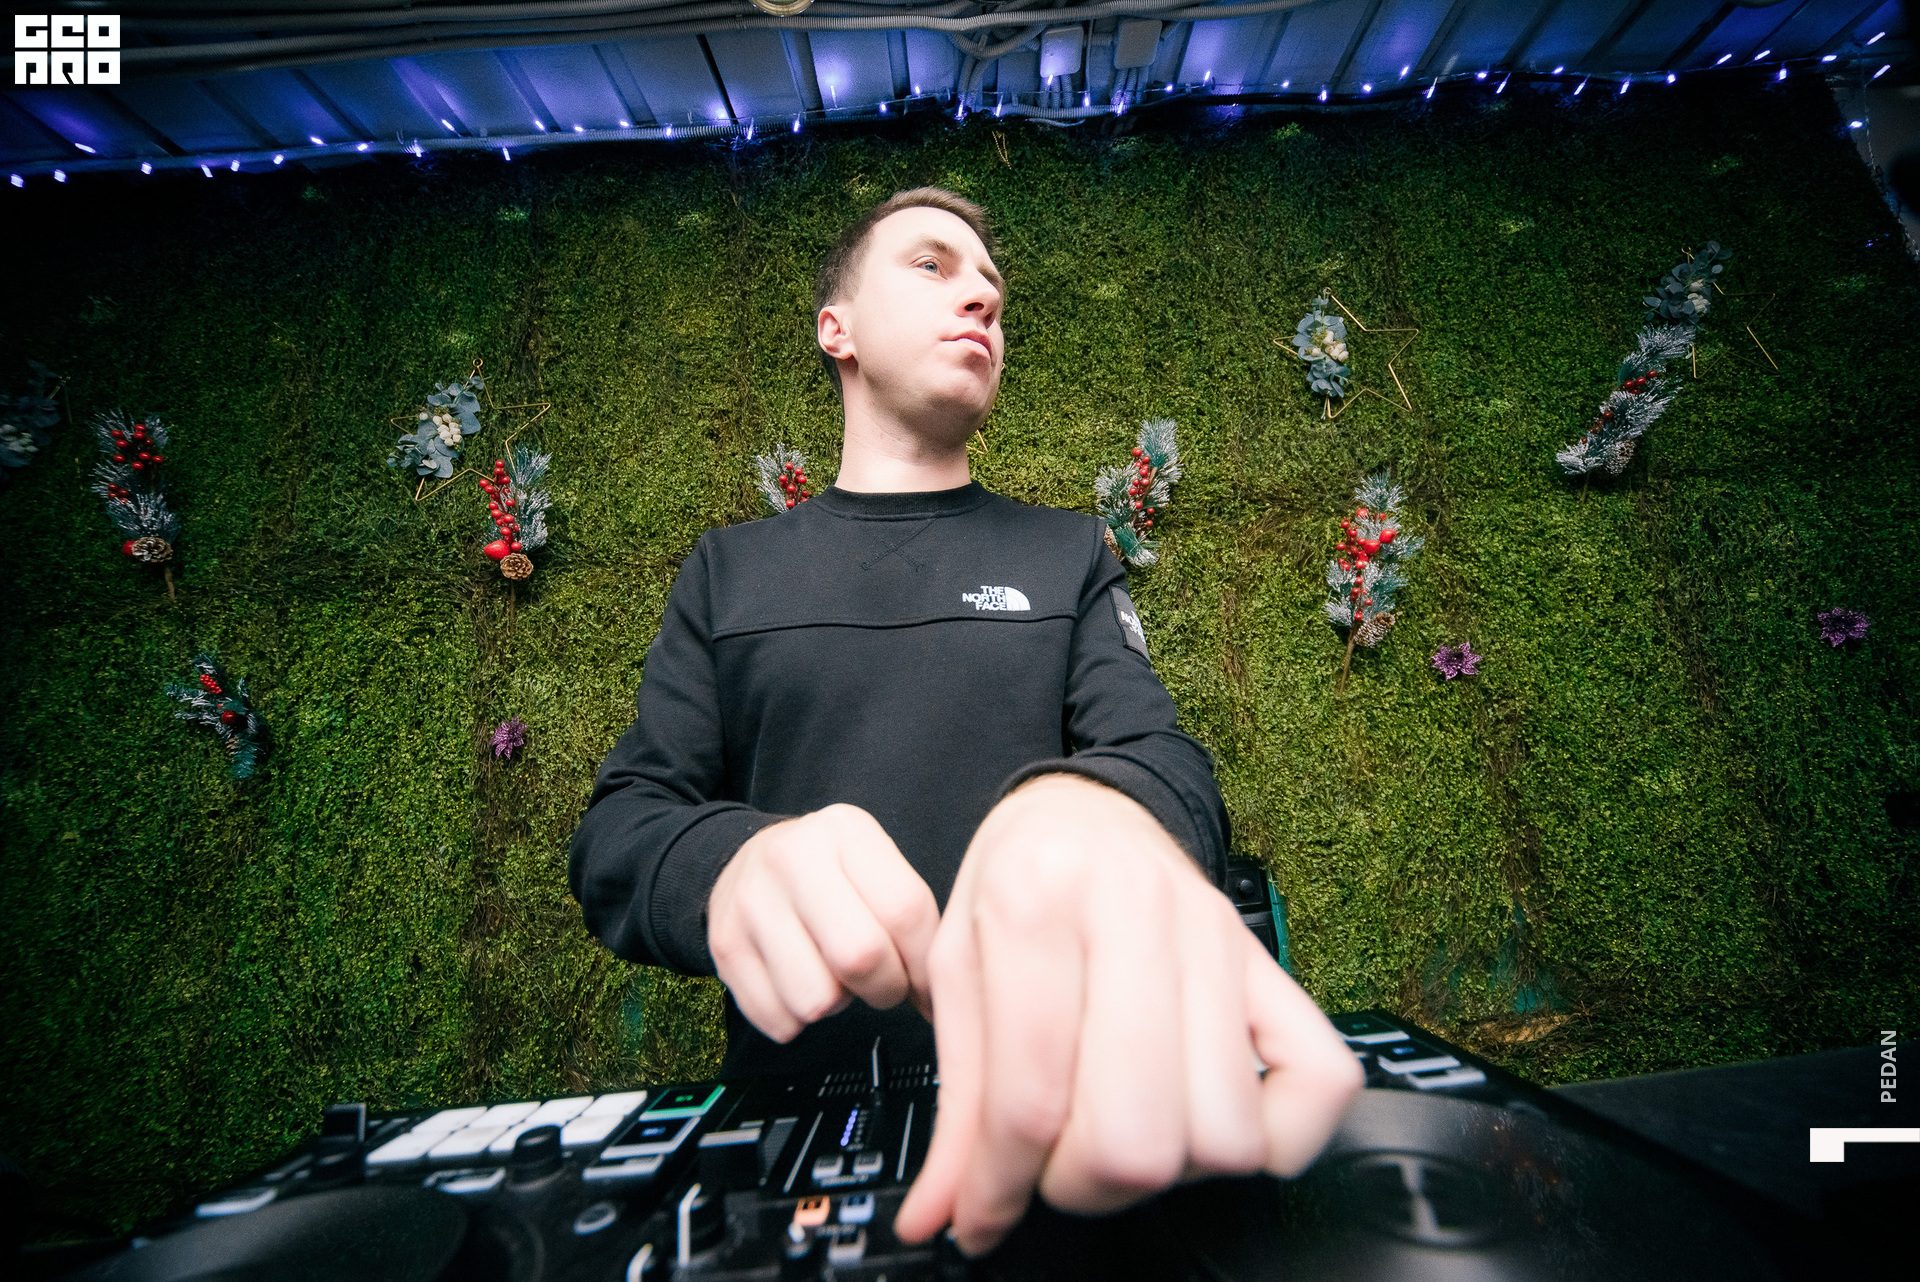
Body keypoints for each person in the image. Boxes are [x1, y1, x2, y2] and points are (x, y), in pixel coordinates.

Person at [568, 187, 1362, 1256]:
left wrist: (1091, 807)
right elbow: (621, 830)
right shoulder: (727, 572)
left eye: (992, 285)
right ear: (837, 328)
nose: (982, 296)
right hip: (794, 1145)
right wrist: (730, 861)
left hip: (1073, 1146)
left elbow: (1164, 762)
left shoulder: (1068, 553)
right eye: (933, 267)